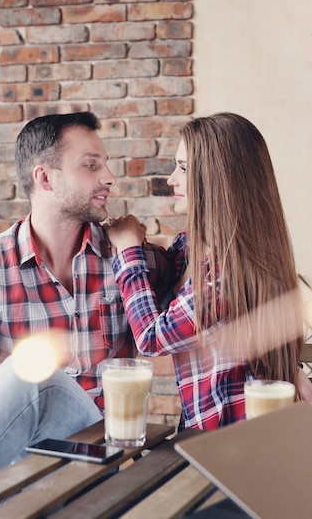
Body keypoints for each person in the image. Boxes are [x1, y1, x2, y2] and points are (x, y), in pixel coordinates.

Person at [0, 111, 171, 518]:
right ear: (44, 178)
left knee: (35, 374)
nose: (109, 176)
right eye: (91, 165)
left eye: (105, 164)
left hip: (100, 464)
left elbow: (217, 294)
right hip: (14, 473)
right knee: (27, 375)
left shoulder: (130, 260)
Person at [105, 112, 306, 432]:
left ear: (218, 177)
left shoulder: (223, 275)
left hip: (235, 448)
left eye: (183, 168)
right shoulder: (189, 248)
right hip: (206, 437)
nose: (171, 179)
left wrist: (129, 250)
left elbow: (152, 338)